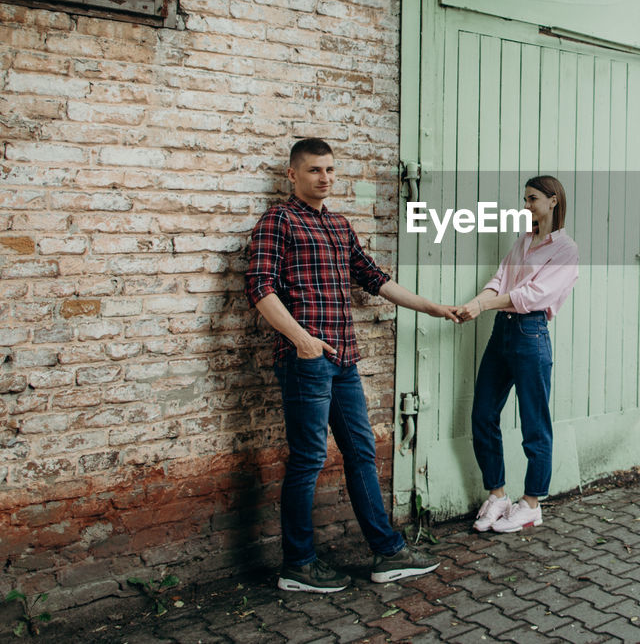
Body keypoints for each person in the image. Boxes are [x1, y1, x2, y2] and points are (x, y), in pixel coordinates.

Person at [247, 138, 456, 593]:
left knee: (362, 453)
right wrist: (302, 340)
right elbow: (260, 288)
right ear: (292, 175)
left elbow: (375, 279)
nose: (325, 178)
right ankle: (297, 565)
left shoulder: (340, 226)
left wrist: (432, 307)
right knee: (308, 459)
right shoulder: (278, 221)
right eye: (315, 170)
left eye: (330, 170)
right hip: (307, 361)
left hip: (344, 360)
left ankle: (387, 552)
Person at [457, 176, 579, 533]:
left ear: (553, 201)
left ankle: (531, 504)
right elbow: (501, 277)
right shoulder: (524, 241)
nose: (526, 206)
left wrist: (484, 306)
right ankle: (498, 496)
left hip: (530, 333)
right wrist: (479, 301)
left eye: (533, 199)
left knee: (534, 424)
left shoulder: (566, 249)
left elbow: (531, 295)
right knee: (483, 413)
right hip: (503, 332)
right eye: (525, 199)